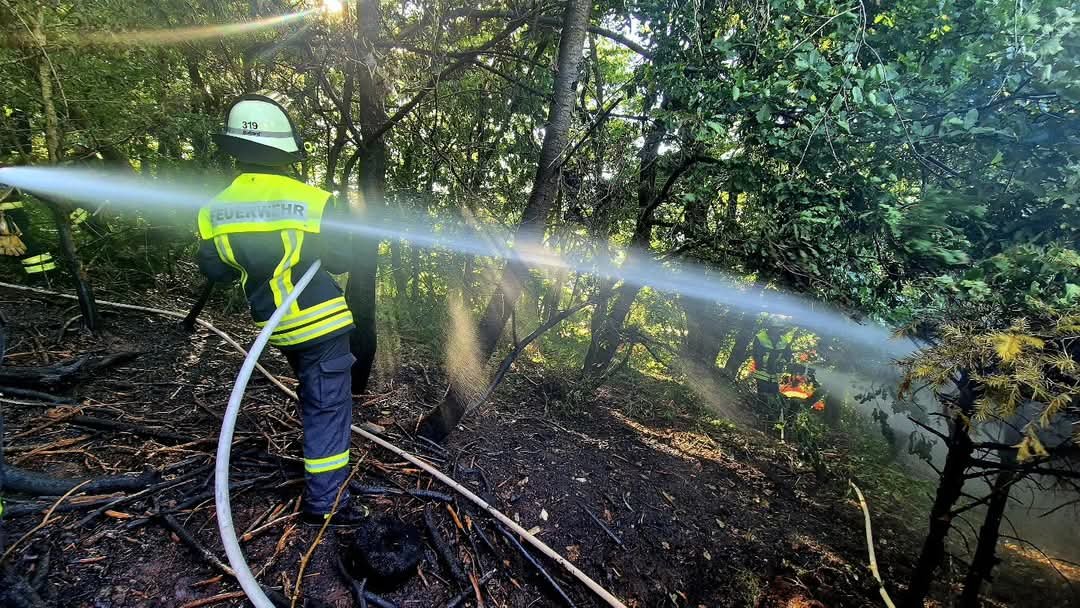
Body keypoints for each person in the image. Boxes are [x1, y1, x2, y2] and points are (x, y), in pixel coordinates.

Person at [196, 91, 364, 526]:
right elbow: (343, 259)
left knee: (315, 395)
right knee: (327, 408)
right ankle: (326, 504)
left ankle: (323, 471)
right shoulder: (313, 200)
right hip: (322, 322)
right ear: (283, 149)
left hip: (276, 325)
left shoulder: (215, 210)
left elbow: (216, 269)